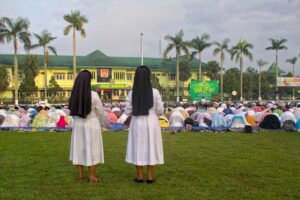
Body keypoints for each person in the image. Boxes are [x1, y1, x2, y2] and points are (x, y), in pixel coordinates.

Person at [125, 66, 164, 184]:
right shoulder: (155, 92)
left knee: (138, 147)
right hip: (152, 122)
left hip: (137, 122)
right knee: (151, 146)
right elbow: (161, 110)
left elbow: (127, 111)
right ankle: (150, 177)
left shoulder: (132, 93)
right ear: (148, 77)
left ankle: (140, 176)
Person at [69, 70, 105, 183]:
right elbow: (100, 111)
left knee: (79, 148)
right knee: (93, 149)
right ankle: (91, 176)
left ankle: (80, 175)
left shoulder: (74, 94)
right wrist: (97, 120)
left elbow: (72, 109)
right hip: (92, 123)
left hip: (79, 123)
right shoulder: (94, 95)